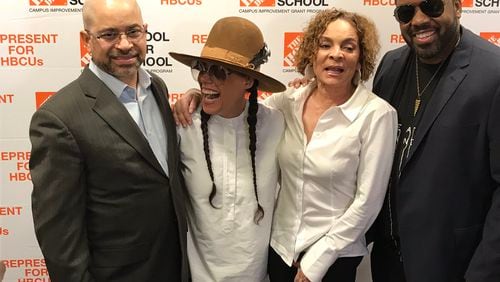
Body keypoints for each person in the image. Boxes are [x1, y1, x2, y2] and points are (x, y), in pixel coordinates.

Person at [174, 8, 398, 282]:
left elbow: (368, 202)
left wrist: (318, 260)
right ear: (312, 53)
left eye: (348, 47)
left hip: (332, 261)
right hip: (280, 253)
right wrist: (195, 94)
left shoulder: (377, 115)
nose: (336, 54)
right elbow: (236, 108)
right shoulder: (288, 104)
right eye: (325, 44)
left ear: (361, 55)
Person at [28, 0, 188, 281]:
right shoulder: (58, 118)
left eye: (133, 32)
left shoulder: (157, 89)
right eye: (109, 34)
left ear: (146, 32)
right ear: (86, 40)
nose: (125, 44)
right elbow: (60, 238)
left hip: (177, 267)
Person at [368, 0, 500, 281]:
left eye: (431, 6)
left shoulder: (494, 72)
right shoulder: (390, 65)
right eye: (406, 13)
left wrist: (483, 273)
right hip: (388, 263)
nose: (418, 20)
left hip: (457, 266)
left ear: (457, 7)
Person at [169, 17, 285, 282]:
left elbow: (314, 97)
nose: (205, 79)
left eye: (219, 71)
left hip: (257, 274)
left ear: (247, 80)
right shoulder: (183, 125)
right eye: (201, 68)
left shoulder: (276, 123)